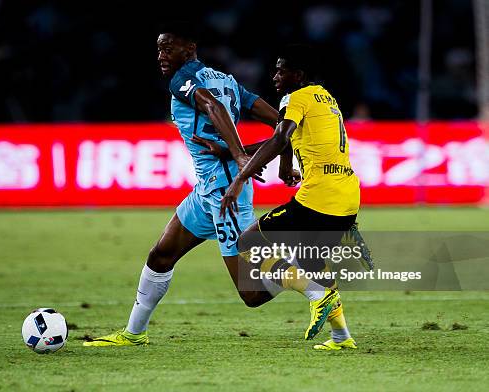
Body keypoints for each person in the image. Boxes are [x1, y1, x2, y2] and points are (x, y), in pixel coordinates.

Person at [83, 22, 282, 347]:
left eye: (168, 47)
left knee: (253, 294)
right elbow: (280, 124)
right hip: (205, 193)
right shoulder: (226, 80)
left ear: (189, 49)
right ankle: (134, 334)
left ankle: (307, 269)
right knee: (161, 255)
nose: (161, 55)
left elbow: (212, 107)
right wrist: (256, 152)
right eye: (159, 48)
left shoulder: (183, 79)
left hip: (225, 194)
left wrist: (239, 155)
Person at [219, 45, 362, 350]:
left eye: (281, 70)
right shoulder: (325, 96)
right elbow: (287, 139)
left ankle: (316, 295)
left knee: (249, 242)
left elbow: (280, 137)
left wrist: (240, 178)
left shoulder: (294, 98)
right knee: (313, 261)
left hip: (320, 198)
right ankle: (341, 337)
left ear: (298, 75)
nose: (275, 76)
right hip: (347, 197)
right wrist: (252, 155)